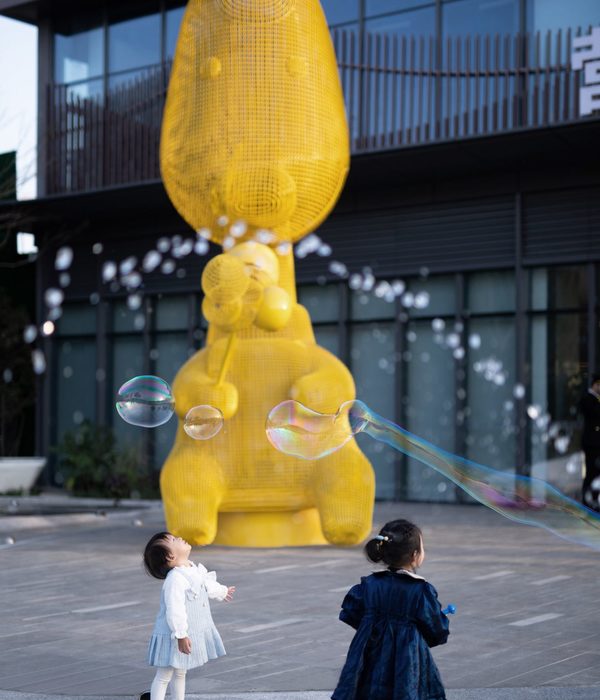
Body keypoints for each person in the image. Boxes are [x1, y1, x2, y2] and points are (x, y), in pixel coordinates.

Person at [332, 519, 450, 700]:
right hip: (407, 661)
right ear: (415, 555)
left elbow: (352, 613)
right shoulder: (420, 590)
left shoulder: (369, 584)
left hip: (368, 657)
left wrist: (372, 626)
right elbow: (436, 630)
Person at [141, 532, 235, 700]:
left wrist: (222, 591)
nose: (179, 538)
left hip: (186, 633)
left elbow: (206, 585)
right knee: (164, 675)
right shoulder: (175, 579)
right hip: (174, 635)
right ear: (170, 556)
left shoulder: (192, 568)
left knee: (181, 672)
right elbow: (174, 609)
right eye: (174, 540)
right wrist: (180, 635)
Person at [579, 374, 600, 511]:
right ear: (595, 385)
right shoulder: (587, 399)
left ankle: (595, 500)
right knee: (591, 472)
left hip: (596, 443)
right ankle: (587, 502)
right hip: (592, 444)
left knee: (597, 473)